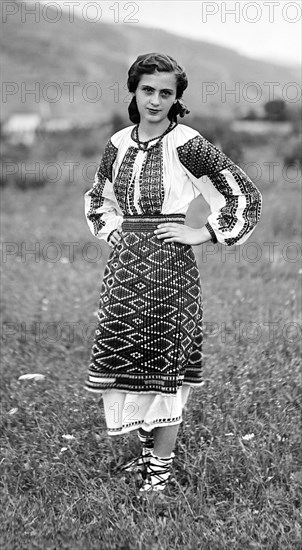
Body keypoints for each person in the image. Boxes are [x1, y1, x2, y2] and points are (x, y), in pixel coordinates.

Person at [84, 53, 262, 494]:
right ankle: (146, 460)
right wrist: (115, 232)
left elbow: (242, 194)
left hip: (170, 272)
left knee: (166, 368)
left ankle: (158, 475)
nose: (156, 100)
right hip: (124, 272)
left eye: (166, 92)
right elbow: (97, 201)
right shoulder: (118, 144)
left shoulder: (187, 143)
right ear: (135, 90)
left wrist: (203, 233)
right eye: (148, 90)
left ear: (177, 97)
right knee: (132, 364)